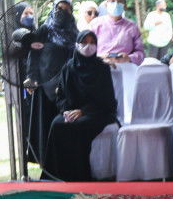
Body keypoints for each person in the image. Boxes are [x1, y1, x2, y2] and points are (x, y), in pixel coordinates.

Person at [45, 30, 118, 182]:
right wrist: (66, 111)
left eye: (92, 42)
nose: (88, 46)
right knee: (56, 124)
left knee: (78, 126)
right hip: (72, 110)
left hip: (98, 112)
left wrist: (83, 111)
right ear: (77, 45)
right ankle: (54, 176)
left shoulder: (102, 69)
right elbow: (61, 96)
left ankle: (79, 177)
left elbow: (107, 100)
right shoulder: (69, 68)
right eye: (84, 42)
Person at [19, 0, 80, 170]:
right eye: (59, 8)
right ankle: (47, 167)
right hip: (45, 86)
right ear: (53, 9)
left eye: (67, 9)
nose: (63, 13)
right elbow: (34, 55)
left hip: (68, 88)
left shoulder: (75, 32)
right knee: (45, 127)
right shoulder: (44, 31)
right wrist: (31, 77)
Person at [89, 0, 144, 65]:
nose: (116, 4)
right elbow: (86, 49)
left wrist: (129, 58)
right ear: (106, 4)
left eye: (120, 1)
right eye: (112, 1)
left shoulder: (132, 27)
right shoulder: (95, 24)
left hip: (126, 69)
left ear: (125, 6)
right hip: (99, 68)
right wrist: (100, 57)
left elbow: (140, 53)